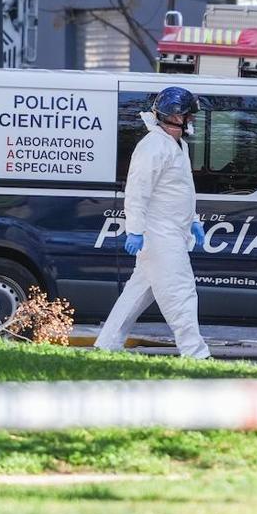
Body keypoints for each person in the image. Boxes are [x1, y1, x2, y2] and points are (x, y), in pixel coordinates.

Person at [94, 87, 210, 359]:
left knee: (136, 294)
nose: (192, 121)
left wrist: (193, 221)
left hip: (167, 233)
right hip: (159, 236)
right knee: (181, 293)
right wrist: (134, 230)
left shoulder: (174, 145)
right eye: (189, 116)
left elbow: (179, 191)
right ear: (175, 116)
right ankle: (196, 354)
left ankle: (106, 345)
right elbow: (137, 191)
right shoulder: (154, 146)